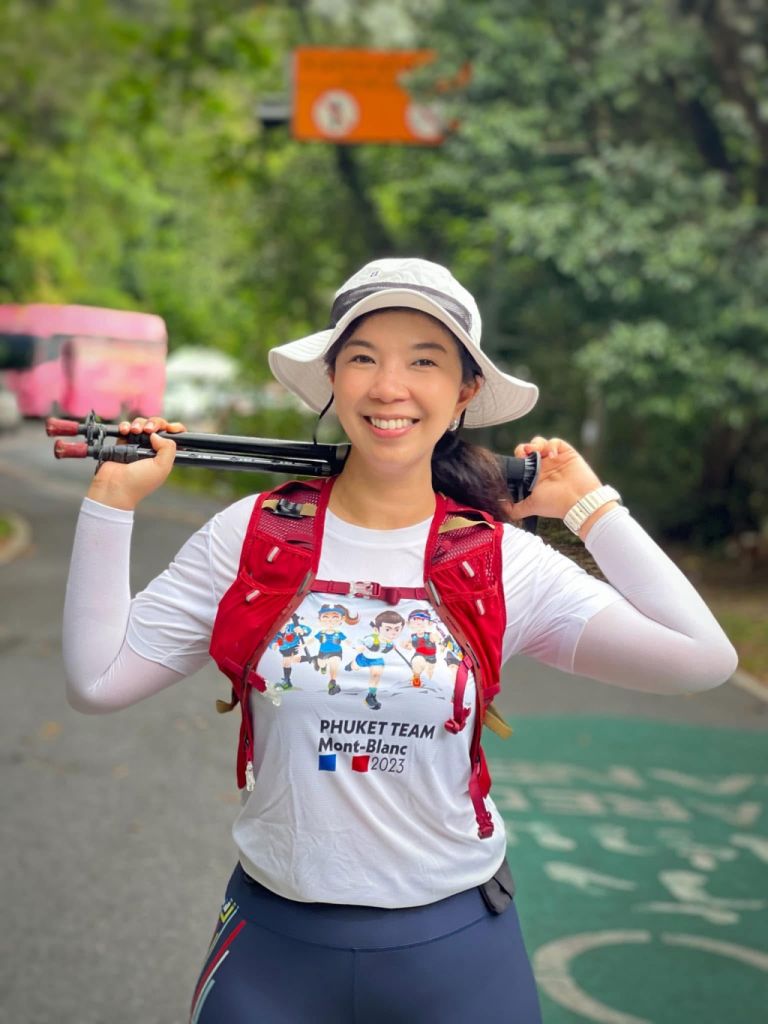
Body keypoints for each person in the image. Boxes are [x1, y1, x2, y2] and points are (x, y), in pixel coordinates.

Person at [63, 257, 738, 1023]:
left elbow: (703, 660)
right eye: (362, 358)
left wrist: (591, 507)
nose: (389, 387)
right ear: (332, 378)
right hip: (273, 951)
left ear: (465, 390)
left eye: (424, 361)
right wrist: (111, 503)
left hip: (456, 954)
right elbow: (97, 681)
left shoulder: (502, 561)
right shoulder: (250, 537)